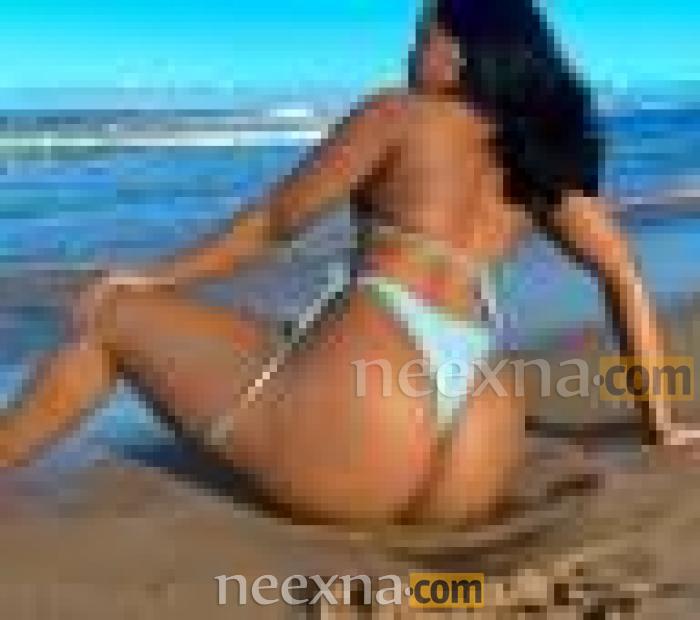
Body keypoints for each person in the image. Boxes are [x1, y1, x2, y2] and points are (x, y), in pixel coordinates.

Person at [0, 0, 690, 524]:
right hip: (479, 445)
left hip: (370, 411)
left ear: (460, 54)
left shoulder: (398, 114)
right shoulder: (533, 153)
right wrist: (658, 423)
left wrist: (153, 278)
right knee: (281, 341)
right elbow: (623, 275)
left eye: (422, 35)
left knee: (110, 317)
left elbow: (275, 222)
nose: (409, 51)